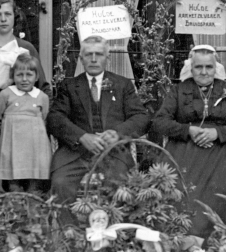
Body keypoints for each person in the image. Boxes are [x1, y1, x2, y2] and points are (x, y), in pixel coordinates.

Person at [151, 45, 226, 238]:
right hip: (186, 154)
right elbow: (159, 122)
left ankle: (222, 243)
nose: (204, 72)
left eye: (209, 67)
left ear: (216, 68)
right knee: (183, 194)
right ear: (191, 68)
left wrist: (217, 133)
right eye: (199, 67)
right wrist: (187, 130)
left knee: (225, 190)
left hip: (222, 155)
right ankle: (183, 242)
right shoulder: (179, 91)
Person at [47, 35, 151, 205]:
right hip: (76, 155)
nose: (94, 59)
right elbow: (55, 118)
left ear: (107, 58)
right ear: (81, 59)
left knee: (120, 186)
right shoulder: (70, 86)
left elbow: (142, 117)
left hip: (113, 154)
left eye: (99, 54)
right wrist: (81, 136)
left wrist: (118, 134)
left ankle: (112, 230)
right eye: (88, 55)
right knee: (60, 183)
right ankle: (69, 230)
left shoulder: (122, 85)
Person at [0, 52, 51, 194]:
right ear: (13, 76)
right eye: (19, 75)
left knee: (34, 186)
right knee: (13, 186)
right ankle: (15, 211)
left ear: (36, 77)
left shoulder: (42, 97)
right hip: (12, 148)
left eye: (29, 75)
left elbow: (45, 120)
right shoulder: (6, 95)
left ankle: (33, 211)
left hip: (35, 148)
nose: (24, 79)